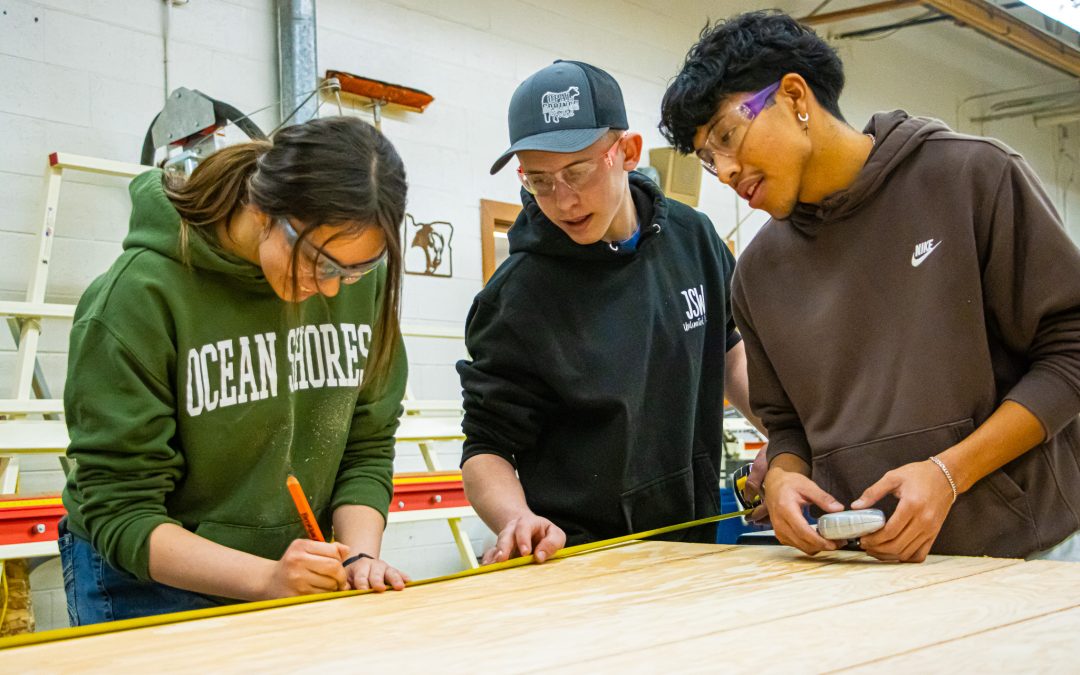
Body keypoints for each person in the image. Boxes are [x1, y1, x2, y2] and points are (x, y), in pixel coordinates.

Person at [659, 10, 1080, 562]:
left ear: (793, 96)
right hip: (864, 570)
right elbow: (788, 426)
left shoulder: (973, 178)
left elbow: (1070, 351)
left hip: (1028, 554)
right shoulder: (757, 274)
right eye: (710, 160)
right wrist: (784, 476)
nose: (727, 169)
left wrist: (949, 474)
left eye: (727, 136)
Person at [60, 116, 412, 625]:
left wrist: (358, 556)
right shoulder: (136, 298)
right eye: (322, 262)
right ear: (262, 208)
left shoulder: (356, 281)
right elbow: (122, 510)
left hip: (288, 571)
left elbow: (367, 444)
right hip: (145, 579)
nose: (335, 289)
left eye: (355, 269)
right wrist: (264, 580)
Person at [457, 60, 763, 565]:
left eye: (576, 172)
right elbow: (486, 448)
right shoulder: (517, 297)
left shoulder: (694, 237)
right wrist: (516, 520)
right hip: (579, 557)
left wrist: (790, 441)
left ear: (627, 152)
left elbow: (730, 353)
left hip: (696, 537)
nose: (563, 200)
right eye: (539, 181)